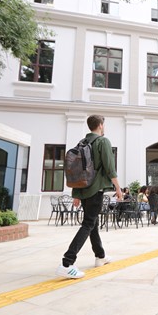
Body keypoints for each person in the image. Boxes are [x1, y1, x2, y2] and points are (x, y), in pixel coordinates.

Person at [56, 114, 121, 279]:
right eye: (104, 125)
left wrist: (77, 194)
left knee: (93, 223)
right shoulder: (103, 141)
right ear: (100, 125)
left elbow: (77, 171)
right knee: (88, 223)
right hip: (95, 190)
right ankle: (67, 263)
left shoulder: (82, 142)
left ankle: (100, 256)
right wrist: (118, 189)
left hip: (83, 190)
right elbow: (109, 168)